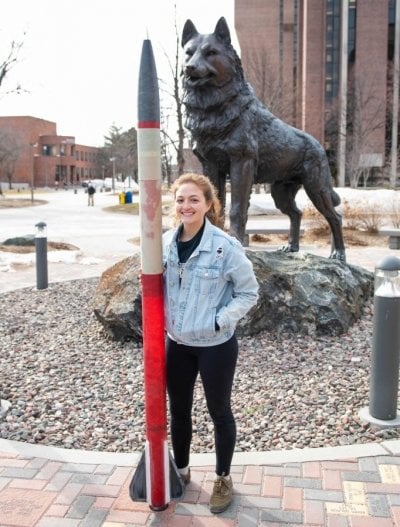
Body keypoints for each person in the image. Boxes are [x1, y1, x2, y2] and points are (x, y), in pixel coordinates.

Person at [163, 173, 259, 514]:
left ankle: (222, 478)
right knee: (179, 411)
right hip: (178, 344)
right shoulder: (164, 244)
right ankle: (183, 470)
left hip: (215, 345)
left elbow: (249, 291)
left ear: (208, 204)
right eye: (180, 200)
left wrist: (221, 319)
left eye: (193, 200)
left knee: (219, 411)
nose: (186, 206)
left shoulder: (225, 246)